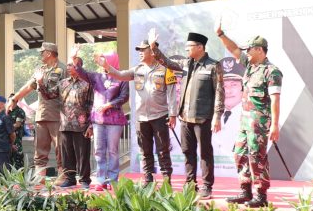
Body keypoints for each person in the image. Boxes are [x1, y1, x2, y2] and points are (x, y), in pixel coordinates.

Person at [215, 30, 283, 207]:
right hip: (244, 122)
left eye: (249, 49)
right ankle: (245, 191)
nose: (246, 53)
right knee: (239, 155)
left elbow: (275, 99)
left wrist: (274, 125)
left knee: (257, 157)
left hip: (259, 123)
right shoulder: (250, 66)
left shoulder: (272, 71)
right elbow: (233, 49)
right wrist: (221, 34)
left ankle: (261, 196)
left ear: (260, 50)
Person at [97, 38, 178, 185]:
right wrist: (107, 66)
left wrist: (173, 114)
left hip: (160, 116)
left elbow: (172, 94)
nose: (140, 52)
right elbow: (120, 75)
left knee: (163, 150)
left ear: (153, 51)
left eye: (143, 49)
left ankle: (167, 180)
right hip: (141, 118)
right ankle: (148, 178)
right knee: (144, 150)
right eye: (139, 50)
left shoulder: (165, 70)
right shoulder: (137, 69)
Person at [153, 32, 225, 198]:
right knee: (187, 151)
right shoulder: (186, 64)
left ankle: (207, 186)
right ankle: (190, 184)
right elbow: (167, 62)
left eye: (189, 47)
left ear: (200, 47)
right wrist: (153, 47)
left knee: (205, 153)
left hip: (203, 117)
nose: (186, 49)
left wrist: (217, 116)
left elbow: (220, 92)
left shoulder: (213, 65)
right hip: (185, 117)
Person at [8, 42, 65, 182]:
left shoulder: (62, 69)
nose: (40, 54)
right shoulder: (41, 69)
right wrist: (15, 99)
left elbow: (55, 91)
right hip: (42, 114)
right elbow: (29, 86)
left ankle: (63, 176)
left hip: (57, 114)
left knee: (60, 148)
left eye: (42, 52)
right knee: (39, 149)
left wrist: (41, 81)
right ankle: (40, 177)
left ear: (49, 53)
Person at [74, 51, 130, 191]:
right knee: (99, 150)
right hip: (98, 120)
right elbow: (81, 73)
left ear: (112, 61)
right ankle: (100, 180)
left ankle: (113, 180)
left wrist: (108, 105)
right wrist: (74, 58)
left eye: (104, 60)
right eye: (101, 60)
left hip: (115, 121)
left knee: (112, 151)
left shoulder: (122, 78)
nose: (101, 63)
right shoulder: (96, 77)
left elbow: (124, 97)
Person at [58, 57, 94, 188]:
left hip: (81, 124)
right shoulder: (62, 83)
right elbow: (51, 95)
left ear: (78, 66)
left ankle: (84, 180)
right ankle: (70, 178)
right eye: (67, 64)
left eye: (70, 65)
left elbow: (91, 104)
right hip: (65, 123)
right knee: (66, 153)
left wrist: (91, 124)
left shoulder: (87, 83)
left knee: (83, 154)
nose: (67, 67)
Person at [6, 93, 27, 171]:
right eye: (8, 101)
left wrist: (6, 130)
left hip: (16, 140)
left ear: (16, 101)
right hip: (8, 140)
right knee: (9, 161)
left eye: (11, 101)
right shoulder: (8, 112)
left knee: (18, 161)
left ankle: (20, 180)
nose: (9, 102)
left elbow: (17, 125)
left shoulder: (20, 111)